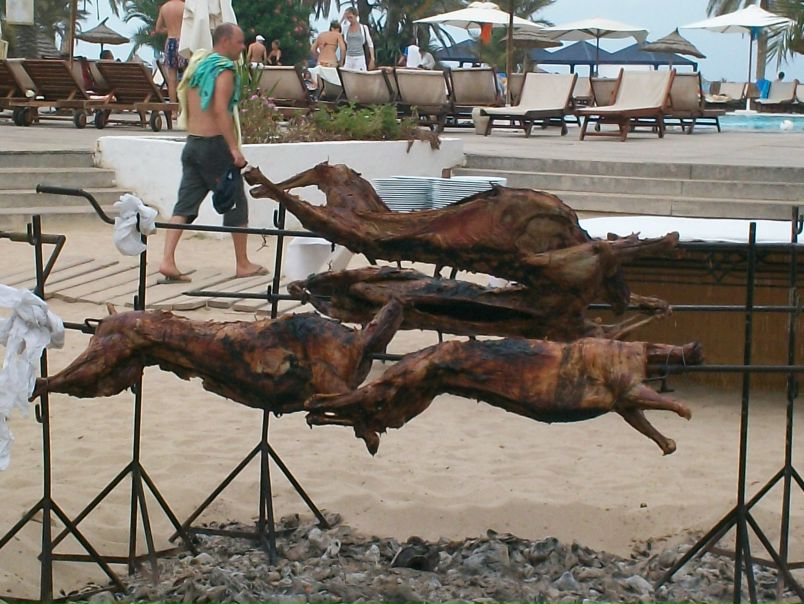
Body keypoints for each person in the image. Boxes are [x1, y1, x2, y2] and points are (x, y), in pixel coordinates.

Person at [160, 23, 265, 282]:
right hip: (214, 145)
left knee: (184, 205)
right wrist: (233, 148)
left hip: (193, 142)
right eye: (239, 42)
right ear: (225, 41)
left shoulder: (199, 66)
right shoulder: (223, 70)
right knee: (236, 201)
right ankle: (243, 263)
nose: (243, 48)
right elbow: (220, 110)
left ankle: (167, 260)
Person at [153, 0, 187, 104]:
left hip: (170, 42)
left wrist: (170, 28)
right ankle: (185, 106)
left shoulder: (164, 7)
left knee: (171, 79)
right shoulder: (185, 6)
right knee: (187, 75)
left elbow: (158, 29)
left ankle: (173, 109)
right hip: (183, 42)